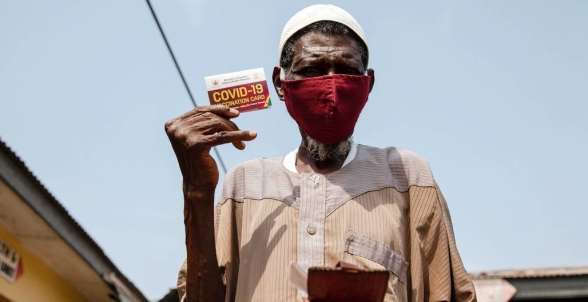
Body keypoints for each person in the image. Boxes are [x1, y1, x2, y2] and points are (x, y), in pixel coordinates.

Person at [166, 4, 477, 302]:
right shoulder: (244, 186)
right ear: (281, 83)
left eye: (346, 70)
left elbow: (447, 293)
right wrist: (196, 191)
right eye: (312, 69)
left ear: (367, 85)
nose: (331, 86)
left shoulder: (408, 177)